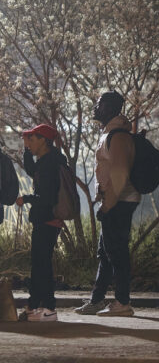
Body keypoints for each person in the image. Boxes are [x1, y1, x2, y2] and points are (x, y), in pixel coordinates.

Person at [75, 91, 140, 317]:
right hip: (114, 202)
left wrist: (107, 205)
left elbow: (119, 175)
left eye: (100, 104)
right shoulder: (110, 133)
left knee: (117, 253)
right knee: (106, 253)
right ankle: (97, 300)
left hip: (120, 203)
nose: (96, 108)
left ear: (112, 108)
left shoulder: (119, 136)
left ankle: (122, 303)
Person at [17, 124, 67, 322]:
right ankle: (34, 305)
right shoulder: (48, 160)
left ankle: (48, 307)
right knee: (39, 263)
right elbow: (33, 172)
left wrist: (27, 199)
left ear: (43, 140)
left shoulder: (50, 163)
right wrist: (27, 152)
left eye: (32, 139)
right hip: (46, 219)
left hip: (48, 218)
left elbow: (46, 196)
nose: (29, 143)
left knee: (42, 265)